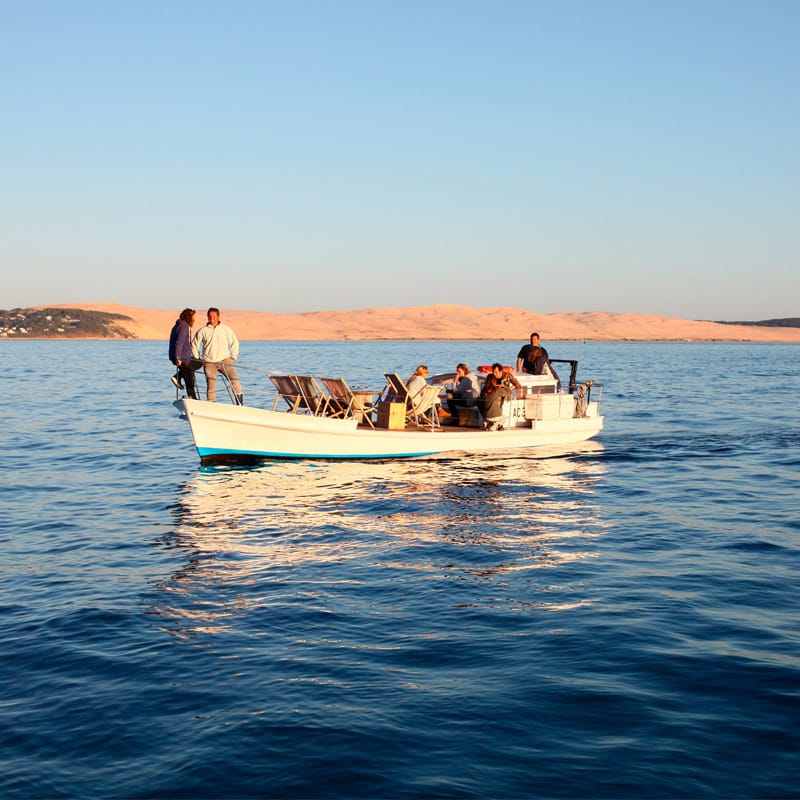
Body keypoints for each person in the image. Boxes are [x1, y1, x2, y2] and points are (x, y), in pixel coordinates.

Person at [191, 307, 243, 405]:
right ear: (207, 317)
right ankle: (212, 405)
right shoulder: (203, 330)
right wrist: (198, 359)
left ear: (218, 317)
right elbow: (194, 345)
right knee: (211, 385)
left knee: (235, 380)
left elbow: (234, 342)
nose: (212, 318)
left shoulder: (225, 329)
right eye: (210, 316)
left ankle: (239, 404)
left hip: (224, 361)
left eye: (214, 316)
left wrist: (233, 357)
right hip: (209, 362)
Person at [168, 308, 200, 400]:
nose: (194, 321)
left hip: (180, 356)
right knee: (189, 378)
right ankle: (193, 399)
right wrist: (178, 357)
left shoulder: (177, 325)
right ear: (188, 317)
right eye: (193, 319)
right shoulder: (184, 326)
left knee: (190, 373)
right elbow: (179, 342)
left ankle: (178, 376)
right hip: (183, 358)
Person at [479, 362, 521, 430]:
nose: (494, 374)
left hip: (502, 397)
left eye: (496, 372)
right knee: (496, 412)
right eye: (493, 372)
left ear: (501, 371)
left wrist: (509, 388)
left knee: (499, 413)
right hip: (495, 398)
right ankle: (494, 426)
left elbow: (518, 385)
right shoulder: (492, 378)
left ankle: (495, 426)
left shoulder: (508, 376)